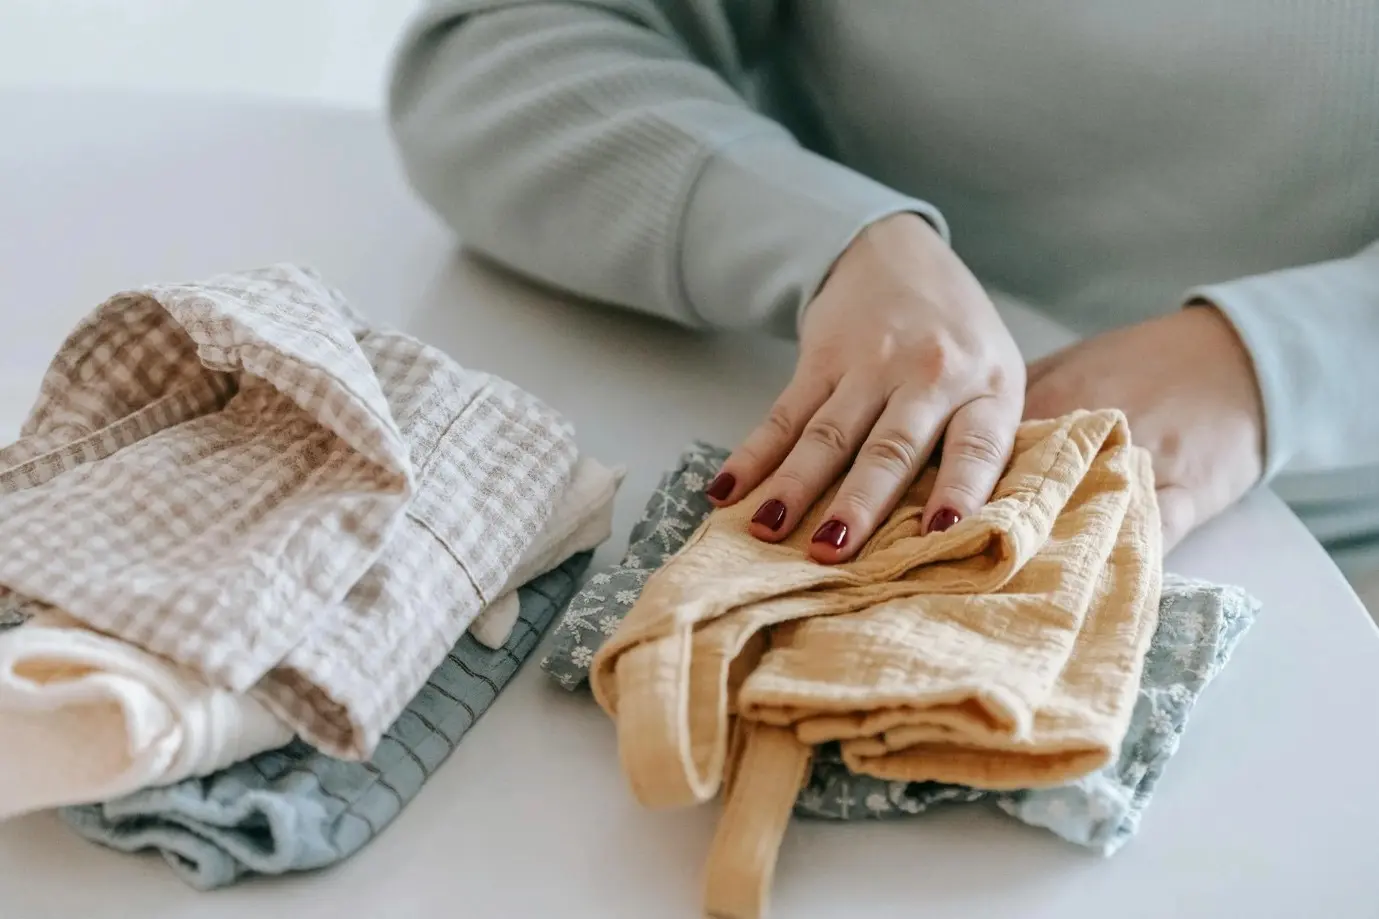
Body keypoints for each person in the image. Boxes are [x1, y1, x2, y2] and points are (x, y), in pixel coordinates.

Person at [388, 1, 1379, 592]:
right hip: (787, 399)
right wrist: (836, 240)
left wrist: (1273, 365)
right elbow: (493, 45)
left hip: (1330, 542)